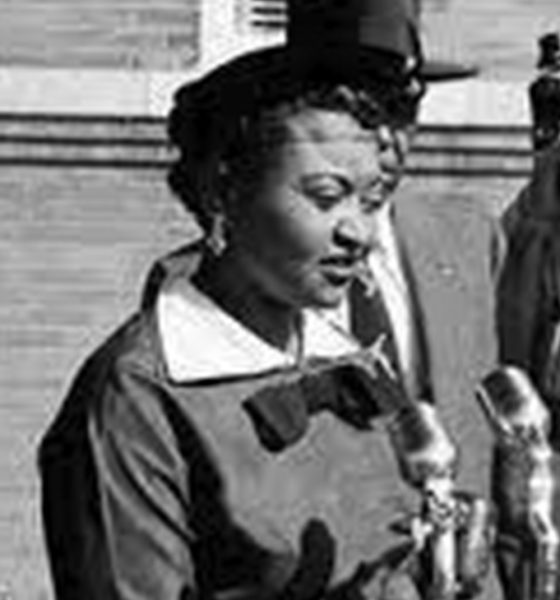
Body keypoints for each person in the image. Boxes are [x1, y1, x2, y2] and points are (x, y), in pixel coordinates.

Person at [39, 1, 491, 598]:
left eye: (367, 200)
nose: (357, 229)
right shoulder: (134, 400)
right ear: (224, 190)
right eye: (327, 196)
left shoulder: (349, 361)